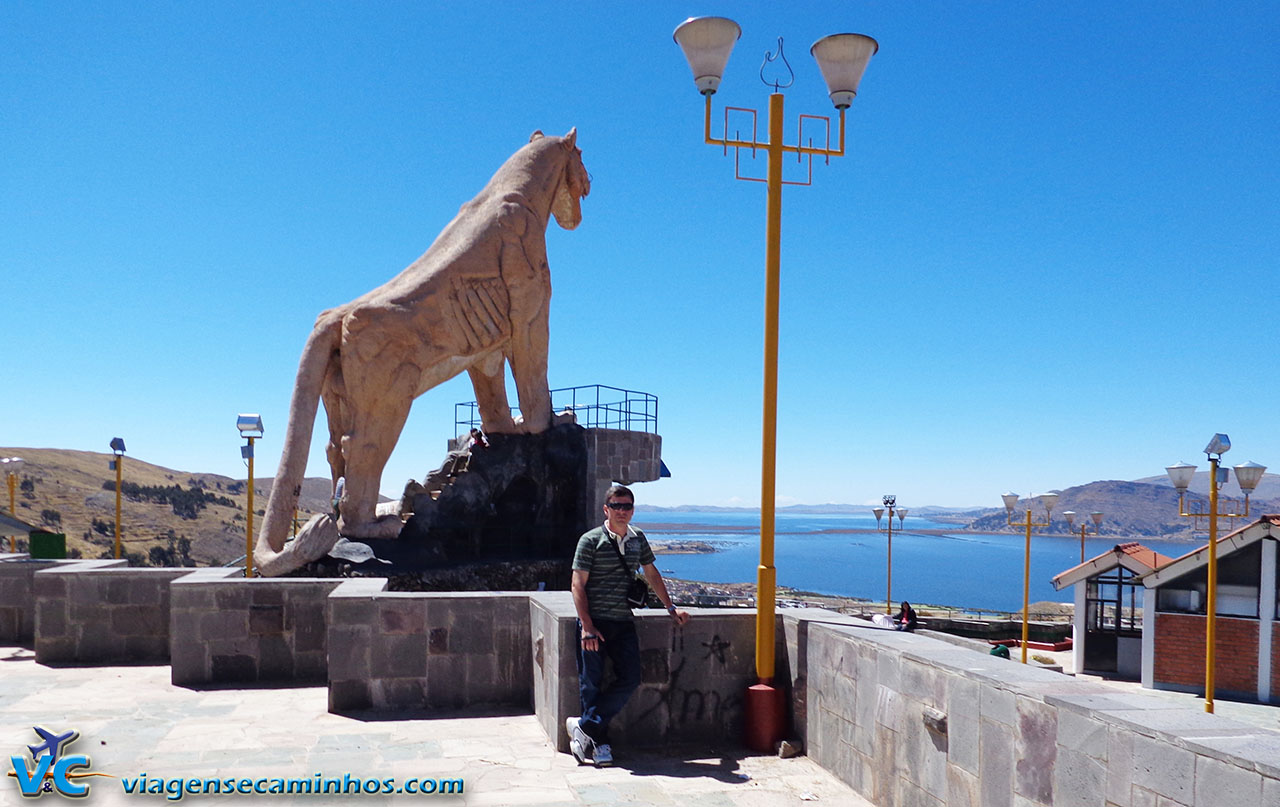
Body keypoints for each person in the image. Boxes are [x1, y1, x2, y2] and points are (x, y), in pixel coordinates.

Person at [566, 484, 689, 767]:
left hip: (622, 621)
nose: (622, 511)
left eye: (627, 506)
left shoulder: (637, 539)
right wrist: (586, 626)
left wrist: (671, 608)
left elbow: (651, 573)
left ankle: (584, 727)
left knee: (631, 677)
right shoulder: (590, 540)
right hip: (594, 623)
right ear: (606, 509)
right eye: (617, 506)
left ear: (633, 510)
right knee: (591, 685)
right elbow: (577, 585)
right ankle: (599, 744)